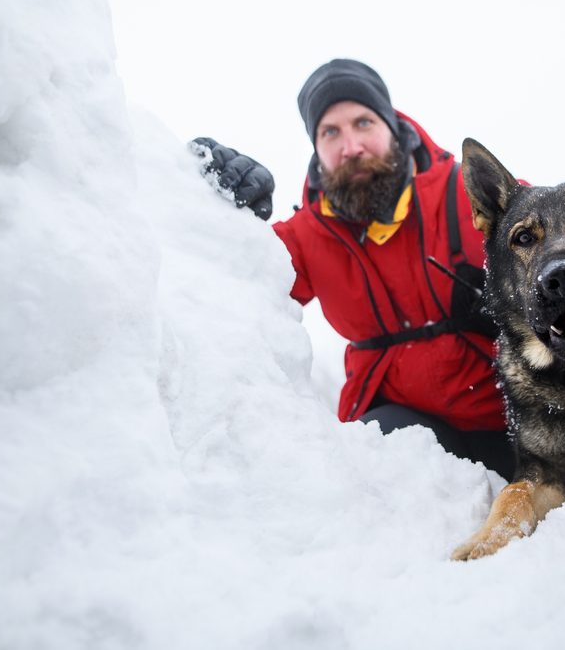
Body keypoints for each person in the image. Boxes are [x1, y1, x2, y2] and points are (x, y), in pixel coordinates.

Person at [190, 59, 515, 481]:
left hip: (511, 419)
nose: (351, 146)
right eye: (331, 132)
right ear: (316, 148)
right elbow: (227, 275)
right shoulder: (307, 236)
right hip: (401, 426)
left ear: (392, 126)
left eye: (363, 123)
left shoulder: (468, 193)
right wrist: (206, 195)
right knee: (365, 478)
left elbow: (557, 237)